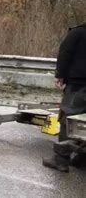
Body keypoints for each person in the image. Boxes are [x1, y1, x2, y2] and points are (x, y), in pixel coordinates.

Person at [43, 22, 86, 172]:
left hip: (78, 85)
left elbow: (65, 53)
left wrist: (60, 75)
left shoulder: (77, 33)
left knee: (68, 119)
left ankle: (61, 160)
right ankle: (82, 159)